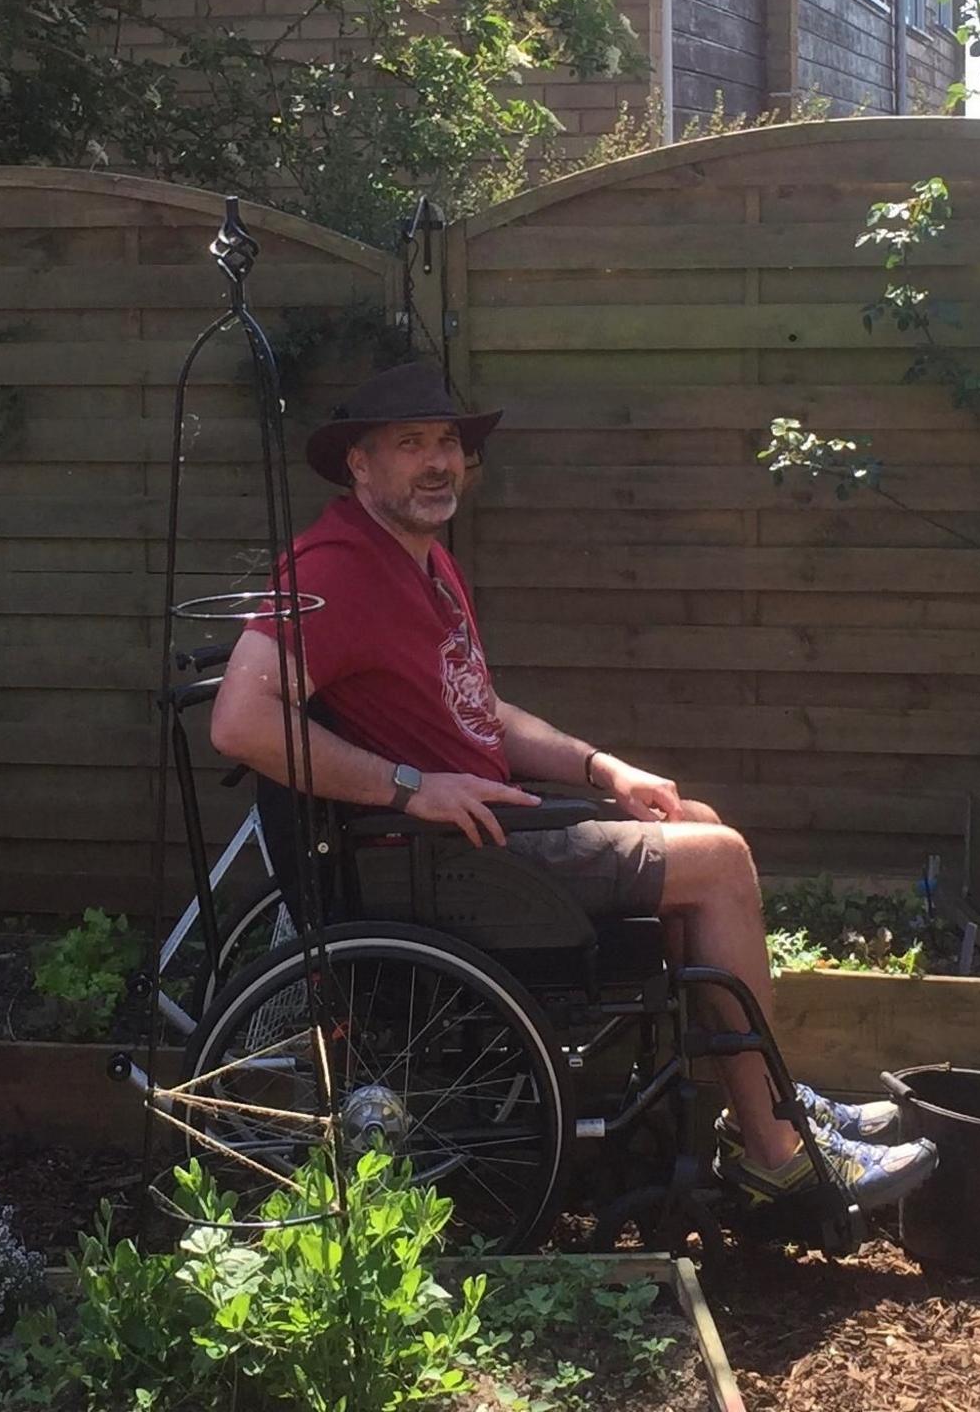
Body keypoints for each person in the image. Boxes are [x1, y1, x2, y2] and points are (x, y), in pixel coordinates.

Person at [208, 359, 938, 1217]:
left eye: (447, 441)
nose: (438, 461)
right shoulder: (335, 568)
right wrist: (410, 787)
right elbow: (241, 721)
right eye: (410, 445)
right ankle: (777, 1152)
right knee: (723, 860)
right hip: (443, 862)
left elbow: (481, 712)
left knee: (689, 818)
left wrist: (603, 769)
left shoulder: (423, 561)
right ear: (360, 466)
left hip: (479, 843)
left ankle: (762, 1107)